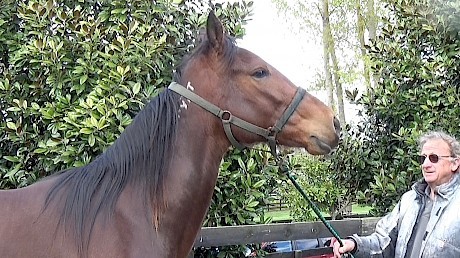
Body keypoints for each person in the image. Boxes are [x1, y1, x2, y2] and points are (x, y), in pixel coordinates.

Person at [331, 131, 460, 258]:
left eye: (434, 158)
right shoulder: (409, 201)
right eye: (423, 158)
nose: (426, 164)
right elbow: (383, 243)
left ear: (454, 163)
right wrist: (354, 244)